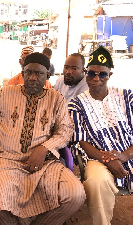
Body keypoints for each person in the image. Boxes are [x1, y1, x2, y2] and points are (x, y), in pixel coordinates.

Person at [0, 52, 86, 225]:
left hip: (45, 164)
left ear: (47, 76)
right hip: (6, 161)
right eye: (28, 72)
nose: (33, 78)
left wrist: (45, 148)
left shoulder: (56, 99)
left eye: (39, 73)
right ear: (22, 72)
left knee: (75, 195)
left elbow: (65, 130)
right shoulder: (6, 92)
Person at [69, 46, 133, 225]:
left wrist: (124, 155)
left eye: (102, 74)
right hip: (96, 158)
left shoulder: (127, 97)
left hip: (129, 152)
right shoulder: (76, 104)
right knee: (97, 181)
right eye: (91, 73)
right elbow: (81, 141)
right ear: (85, 73)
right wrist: (108, 159)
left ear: (109, 75)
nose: (96, 78)